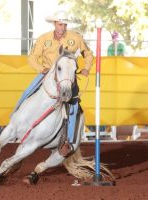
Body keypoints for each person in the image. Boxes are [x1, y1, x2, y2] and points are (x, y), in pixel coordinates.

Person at [15, 10, 93, 156]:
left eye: (64, 24)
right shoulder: (43, 39)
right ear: (54, 24)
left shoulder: (76, 38)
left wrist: (86, 68)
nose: (62, 27)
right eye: (60, 24)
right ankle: (15, 120)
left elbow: (88, 54)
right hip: (46, 76)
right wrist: (41, 68)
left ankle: (67, 141)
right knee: (27, 92)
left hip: (68, 79)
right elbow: (32, 57)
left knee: (74, 105)